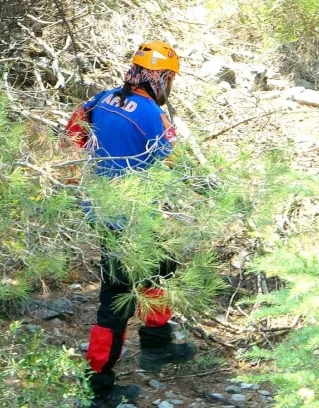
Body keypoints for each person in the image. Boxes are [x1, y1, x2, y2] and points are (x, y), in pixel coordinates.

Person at [65, 41, 196, 408]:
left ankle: (157, 345)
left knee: (160, 269)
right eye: (170, 79)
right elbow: (171, 163)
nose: (170, 86)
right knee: (116, 300)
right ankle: (99, 388)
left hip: (105, 211)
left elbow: (74, 131)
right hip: (130, 217)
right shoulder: (153, 114)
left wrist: (105, 158)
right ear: (160, 78)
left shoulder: (102, 98)